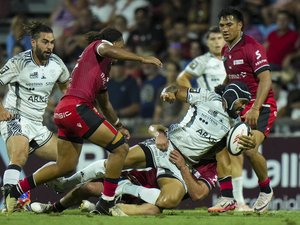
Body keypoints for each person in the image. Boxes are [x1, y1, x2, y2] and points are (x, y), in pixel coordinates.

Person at [3, 27, 163, 215]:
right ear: (115, 43)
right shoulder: (98, 47)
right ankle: (107, 202)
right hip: (76, 108)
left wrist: (118, 124)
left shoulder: (103, 69)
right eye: (122, 46)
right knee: (120, 148)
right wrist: (142, 59)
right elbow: (107, 48)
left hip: (65, 110)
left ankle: (17, 189)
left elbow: (105, 102)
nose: (122, 50)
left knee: (66, 165)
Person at [84, 81, 253, 214]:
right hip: (166, 147)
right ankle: (68, 184)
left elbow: (199, 193)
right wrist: (168, 92)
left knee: (166, 202)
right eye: (242, 102)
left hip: (179, 166)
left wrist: (250, 144)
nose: (244, 107)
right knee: (106, 171)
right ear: (232, 96)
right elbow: (174, 90)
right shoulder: (207, 97)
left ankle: (228, 198)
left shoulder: (235, 125)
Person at [209, 8, 277, 213]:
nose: (225, 29)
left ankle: (266, 190)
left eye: (229, 24)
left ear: (240, 25)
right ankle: (228, 198)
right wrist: (222, 93)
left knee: (248, 148)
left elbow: (266, 79)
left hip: (262, 106)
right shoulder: (226, 50)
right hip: (239, 107)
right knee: (218, 144)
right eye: (222, 25)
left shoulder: (252, 48)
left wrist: (256, 108)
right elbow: (231, 78)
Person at [176, 26, 249, 210]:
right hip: (212, 115)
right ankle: (229, 198)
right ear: (207, 42)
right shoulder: (202, 61)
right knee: (222, 154)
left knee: (237, 155)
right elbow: (182, 79)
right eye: (212, 39)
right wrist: (198, 98)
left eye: (219, 38)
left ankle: (238, 200)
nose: (216, 42)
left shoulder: (232, 59)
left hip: (232, 114)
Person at [0, 21, 70, 212]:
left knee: (66, 160)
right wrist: (1, 110)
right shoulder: (18, 63)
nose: (49, 47)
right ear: (33, 42)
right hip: (15, 117)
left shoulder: (57, 63)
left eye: (52, 42)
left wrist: (68, 104)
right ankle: (10, 204)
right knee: (19, 156)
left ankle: (41, 182)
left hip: (38, 124)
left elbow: (66, 86)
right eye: (45, 42)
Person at [30, 153, 218, 216]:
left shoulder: (212, 166)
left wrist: (184, 169)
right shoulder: (186, 141)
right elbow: (156, 129)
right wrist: (160, 133)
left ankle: (107, 208)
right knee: (88, 188)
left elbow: (198, 194)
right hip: (139, 179)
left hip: (156, 199)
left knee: (153, 210)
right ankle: (54, 207)